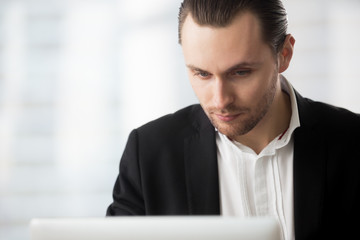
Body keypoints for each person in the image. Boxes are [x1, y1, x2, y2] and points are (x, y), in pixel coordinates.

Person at [107, 0, 360, 239]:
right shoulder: (149, 153)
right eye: (202, 74)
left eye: (240, 72)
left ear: (284, 54)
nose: (220, 100)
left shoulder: (353, 142)